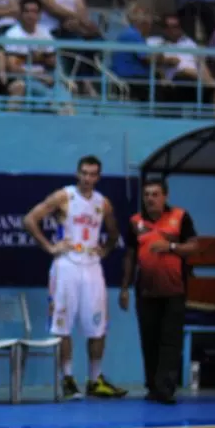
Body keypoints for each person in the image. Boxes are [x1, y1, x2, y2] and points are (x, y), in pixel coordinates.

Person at [23, 156, 127, 400]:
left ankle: (95, 379)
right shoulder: (64, 196)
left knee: (97, 326)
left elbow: (114, 232)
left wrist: (106, 249)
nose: (87, 178)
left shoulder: (103, 203)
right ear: (77, 174)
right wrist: (50, 247)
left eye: (92, 174)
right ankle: (68, 379)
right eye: (84, 173)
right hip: (67, 265)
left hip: (92, 265)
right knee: (63, 325)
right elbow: (29, 220)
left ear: (98, 177)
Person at [120, 178, 199, 404]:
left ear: (165, 196)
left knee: (170, 341)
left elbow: (194, 246)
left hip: (174, 290)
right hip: (145, 291)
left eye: (155, 194)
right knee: (149, 340)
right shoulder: (135, 222)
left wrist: (171, 246)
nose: (150, 199)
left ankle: (166, 389)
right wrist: (124, 288)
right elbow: (130, 256)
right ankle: (153, 387)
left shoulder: (180, 217)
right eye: (146, 195)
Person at [3, 0, 57, 101]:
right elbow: (13, 68)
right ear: (21, 14)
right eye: (26, 11)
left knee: (64, 91)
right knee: (48, 96)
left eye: (34, 11)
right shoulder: (12, 34)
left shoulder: (45, 33)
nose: (30, 15)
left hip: (44, 77)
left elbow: (52, 61)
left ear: (39, 14)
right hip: (24, 79)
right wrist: (38, 74)